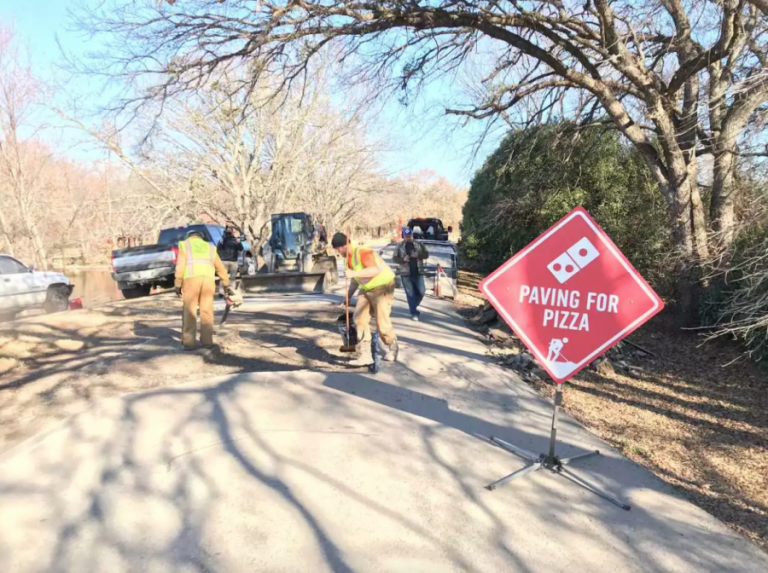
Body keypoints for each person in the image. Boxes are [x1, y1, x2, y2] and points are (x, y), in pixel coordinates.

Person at [332, 232, 398, 366]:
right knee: (359, 318)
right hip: (367, 288)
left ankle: (392, 346)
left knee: (382, 320)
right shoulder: (348, 258)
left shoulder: (363, 252)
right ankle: (365, 355)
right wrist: (348, 296)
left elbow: (375, 270)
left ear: (345, 245)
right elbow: (355, 280)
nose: (337, 252)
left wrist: (353, 273)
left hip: (383, 286)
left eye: (337, 248)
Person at [175, 230, 233, 350]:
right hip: (208, 281)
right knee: (206, 312)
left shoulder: (185, 245)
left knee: (189, 311)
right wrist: (226, 283)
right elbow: (220, 267)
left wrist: (177, 284)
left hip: (190, 280)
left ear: (189, 237)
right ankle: (207, 342)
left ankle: (189, 343)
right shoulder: (210, 247)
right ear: (201, 237)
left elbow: (180, 266)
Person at [393, 228, 429, 320]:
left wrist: (418, 255)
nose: (408, 237)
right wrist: (403, 260)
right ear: (403, 236)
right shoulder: (399, 246)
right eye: (406, 236)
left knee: (421, 291)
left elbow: (426, 254)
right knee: (410, 294)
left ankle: (414, 304)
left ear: (412, 235)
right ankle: (414, 313)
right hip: (405, 274)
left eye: (410, 236)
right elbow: (394, 258)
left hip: (418, 272)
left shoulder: (419, 244)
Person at [217, 225, 244, 293]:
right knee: (232, 278)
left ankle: (221, 291)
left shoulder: (223, 240)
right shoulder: (235, 240)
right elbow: (241, 248)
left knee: (223, 277)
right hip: (233, 261)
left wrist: (221, 242)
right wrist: (239, 242)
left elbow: (218, 248)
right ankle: (232, 291)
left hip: (224, 260)